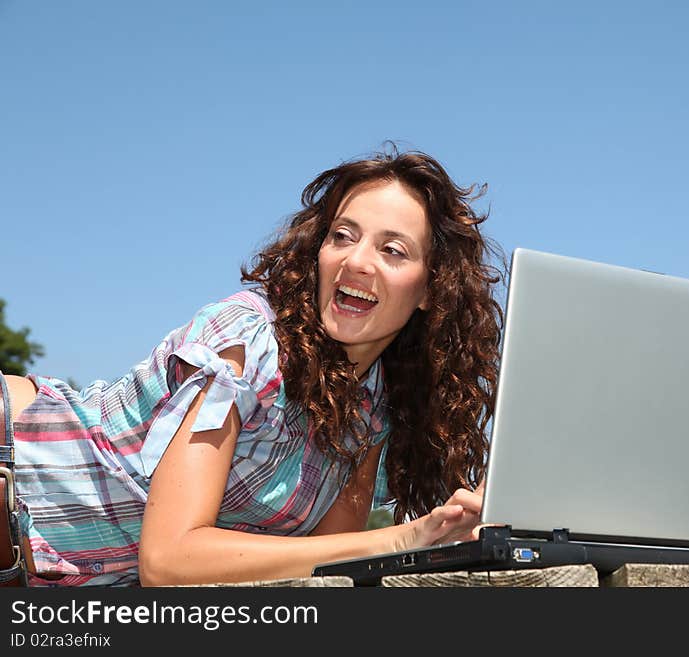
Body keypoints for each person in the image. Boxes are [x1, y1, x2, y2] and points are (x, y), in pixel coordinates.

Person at [0, 145, 504, 586]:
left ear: (431, 289)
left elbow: (330, 565)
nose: (356, 261)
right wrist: (403, 539)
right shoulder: (246, 344)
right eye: (343, 236)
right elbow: (169, 559)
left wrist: (449, 537)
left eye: (392, 250)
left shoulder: (372, 416)